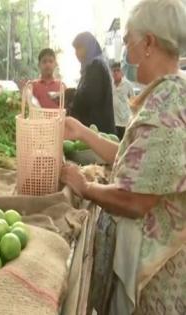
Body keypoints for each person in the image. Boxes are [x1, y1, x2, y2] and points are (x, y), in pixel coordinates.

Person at [60, 1, 186, 314]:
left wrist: (85, 186)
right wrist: (84, 133)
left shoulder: (165, 108)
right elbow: (135, 161)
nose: (126, 51)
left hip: (156, 277)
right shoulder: (170, 91)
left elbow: (135, 199)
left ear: (148, 43)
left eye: (129, 40)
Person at [71, 32, 116, 134]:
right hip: (95, 131)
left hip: (99, 131)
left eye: (79, 48)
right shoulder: (89, 68)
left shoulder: (96, 66)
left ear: (89, 47)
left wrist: (70, 96)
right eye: (75, 49)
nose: (76, 53)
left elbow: (90, 98)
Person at [111, 62, 134, 139]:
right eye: (114, 71)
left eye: (118, 70)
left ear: (121, 72)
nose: (116, 73)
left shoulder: (128, 85)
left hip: (125, 121)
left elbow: (134, 101)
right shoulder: (110, 85)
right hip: (114, 121)